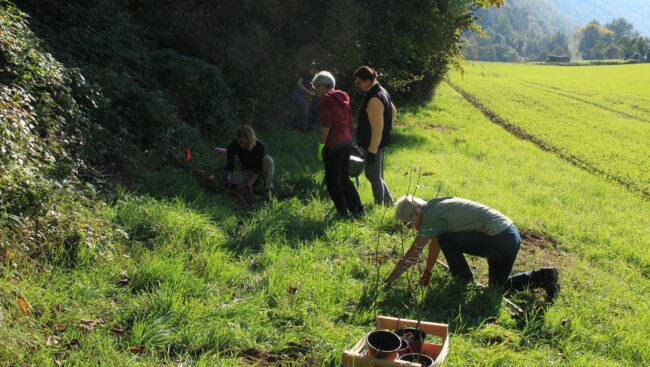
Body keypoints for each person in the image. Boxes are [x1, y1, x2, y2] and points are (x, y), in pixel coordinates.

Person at [385, 195, 560, 300]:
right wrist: (428, 272)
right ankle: (543, 277)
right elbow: (435, 242)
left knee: (447, 238)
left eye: (409, 224)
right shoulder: (436, 206)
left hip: (497, 238)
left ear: (415, 214)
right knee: (497, 289)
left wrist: (388, 283)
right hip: (510, 235)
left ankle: (464, 283)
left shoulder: (430, 217)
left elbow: (413, 254)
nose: (411, 228)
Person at [312, 71, 364, 217]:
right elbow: (349, 120)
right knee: (344, 178)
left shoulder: (325, 99)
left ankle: (343, 212)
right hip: (346, 142)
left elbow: (326, 124)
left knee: (332, 182)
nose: (315, 90)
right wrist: (350, 139)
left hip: (334, 144)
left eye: (316, 87)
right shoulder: (343, 96)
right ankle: (358, 210)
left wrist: (321, 145)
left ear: (322, 86)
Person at [354, 66, 396, 206]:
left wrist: (372, 150)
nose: (357, 85)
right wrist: (388, 125)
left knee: (373, 176)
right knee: (378, 176)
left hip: (375, 144)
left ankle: (381, 205)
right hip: (381, 142)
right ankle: (389, 204)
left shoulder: (374, 99)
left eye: (359, 82)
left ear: (367, 81)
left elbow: (377, 129)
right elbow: (393, 110)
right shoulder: (381, 91)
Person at [225, 125, 274, 197]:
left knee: (268, 159)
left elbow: (258, 169)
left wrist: (247, 186)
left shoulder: (259, 146)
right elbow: (230, 165)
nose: (241, 145)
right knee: (234, 183)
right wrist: (229, 180)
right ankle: (254, 187)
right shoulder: (233, 145)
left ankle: (267, 189)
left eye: (244, 142)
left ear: (250, 140)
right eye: (240, 142)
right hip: (247, 171)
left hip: (260, 172)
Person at [290, 64, 320, 131]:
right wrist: (308, 92)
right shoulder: (305, 73)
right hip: (295, 93)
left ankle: (300, 127)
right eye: (318, 72)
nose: (317, 74)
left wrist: (311, 92)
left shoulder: (313, 78)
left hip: (301, 96)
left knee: (305, 109)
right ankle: (300, 127)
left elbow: (311, 91)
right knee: (304, 106)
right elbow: (298, 83)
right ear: (316, 69)